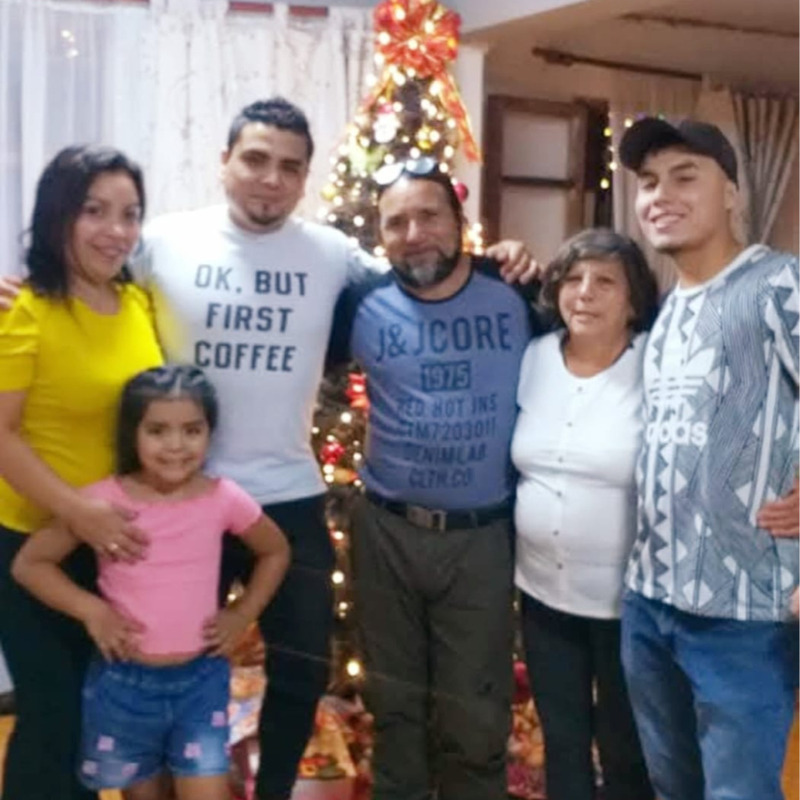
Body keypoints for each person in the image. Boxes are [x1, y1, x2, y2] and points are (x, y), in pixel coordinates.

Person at [0, 99, 532, 800]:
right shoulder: (159, 242)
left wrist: (503, 260)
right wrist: (21, 291)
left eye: (289, 167)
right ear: (224, 162)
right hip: (177, 500)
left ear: (306, 178)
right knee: (144, 664)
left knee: (302, 669)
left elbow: (420, 269)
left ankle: (271, 790)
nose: (270, 179)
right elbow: (82, 277)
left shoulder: (333, 254)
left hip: (288, 496)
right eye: (255, 159)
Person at [326, 157, 540, 800]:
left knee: (475, 717)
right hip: (386, 532)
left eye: (429, 216)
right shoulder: (359, 303)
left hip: (481, 537)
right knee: (394, 708)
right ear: (380, 235)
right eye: (396, 223)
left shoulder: (516, 291)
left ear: (460, 221)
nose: (414, 234)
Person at [618, 117, 799, 800]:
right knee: (674, 788)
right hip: (650, 601)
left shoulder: (780, 284)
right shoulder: (668, 309)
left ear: (731, 193)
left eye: (684, 177)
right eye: (648, 183)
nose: (660, 195)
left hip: (746, 614)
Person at [12, 365, 290, 800]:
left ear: (209, 432)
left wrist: (243, 613)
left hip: (201, 684)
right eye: (158, 430)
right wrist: (93, 611)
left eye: (192, 430)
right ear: (133, 433)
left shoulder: (224, 498)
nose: (176, 445)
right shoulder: (102, 502)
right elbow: (30, 564)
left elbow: (276, 550)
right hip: (124, 686)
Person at [0, 145, 163, 800]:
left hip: (114, 550)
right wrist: (76, 510)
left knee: (97, 725)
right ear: (58, 216)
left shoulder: (138, 304)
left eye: (130, 214)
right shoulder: (26, 310)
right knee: (54, 718)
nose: (115, 230)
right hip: (31, 546)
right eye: (94, 211)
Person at [511, 228, 657, 800]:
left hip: (628, 604)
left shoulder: (658, 364)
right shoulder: (534, 357)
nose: (585, 293)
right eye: (573, 279)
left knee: (626, 749)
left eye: (605, 282)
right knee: (563, 742)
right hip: (542, 595)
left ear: (634, 301)